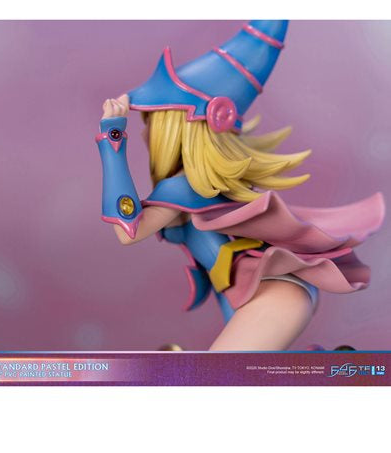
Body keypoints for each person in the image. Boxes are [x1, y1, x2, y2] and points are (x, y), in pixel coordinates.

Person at [96, 20, 385, 350]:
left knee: (219, 375)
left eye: (153, 122)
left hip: (273, 293)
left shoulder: (184, 187)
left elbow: (128, 230)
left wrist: (112, 138)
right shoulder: (199, 186)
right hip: (264, 294)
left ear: (175, 129)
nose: (146, 133)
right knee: (233, 373)